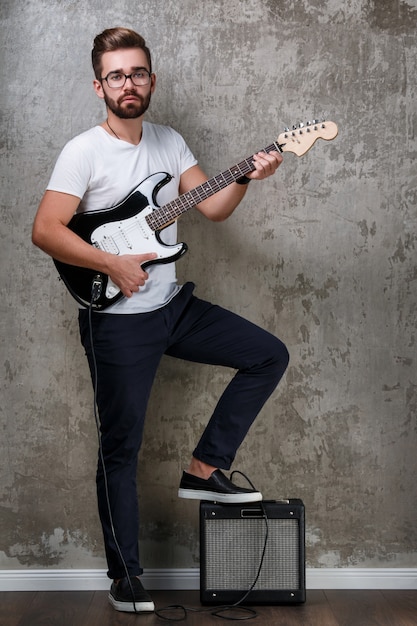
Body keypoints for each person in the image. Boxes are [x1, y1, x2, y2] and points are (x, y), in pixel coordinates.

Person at [32, 27, 289, 614]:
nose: (129, 83)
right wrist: (112, 264)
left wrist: (249, 172)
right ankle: (125, 576)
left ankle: (204, 468)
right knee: (120, 449)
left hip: (172, 307)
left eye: (139, 72)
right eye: (117, 75)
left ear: (152, 79)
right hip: (116, 322)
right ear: (99, 85)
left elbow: (215, 207)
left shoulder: (169, 142)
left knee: (267, 354)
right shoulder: (83, 151)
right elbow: (44, 231)